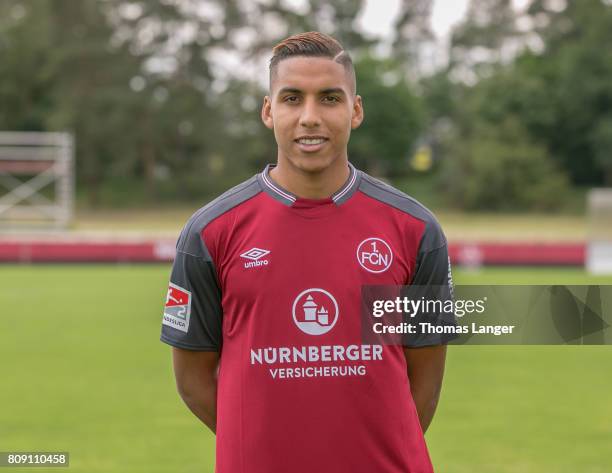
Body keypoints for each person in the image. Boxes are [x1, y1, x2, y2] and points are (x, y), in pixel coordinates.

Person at [161, 31, 454, 473]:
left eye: (330, 99)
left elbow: (425, 382)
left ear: (355, 111)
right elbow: (193, 380)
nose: (310, 117)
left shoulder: (414, 230)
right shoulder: (210, 233)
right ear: (268, 110)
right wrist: (272, 447)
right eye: (293, 98)